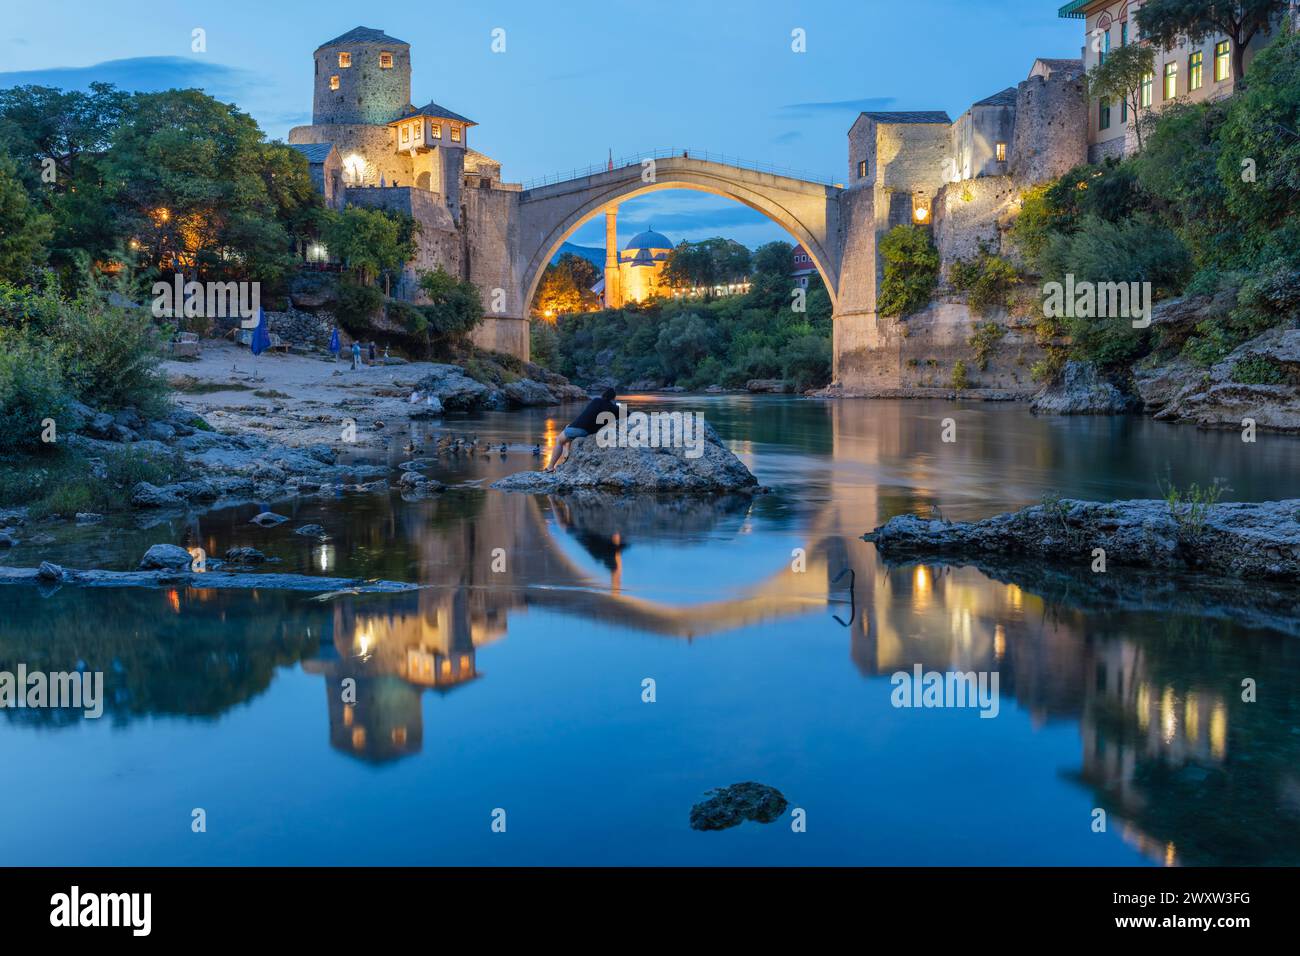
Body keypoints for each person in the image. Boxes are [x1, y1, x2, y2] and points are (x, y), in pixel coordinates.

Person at [545, 387, 618, 472]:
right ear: (613, 398)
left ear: (603, 394)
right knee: (568, 427)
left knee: (559, 440)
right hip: (589, 432)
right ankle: (567, 450)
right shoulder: (613, 408)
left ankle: (550, 467)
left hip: (580, 428)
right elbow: (627, 414)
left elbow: (586, 415)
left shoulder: (596, 401)